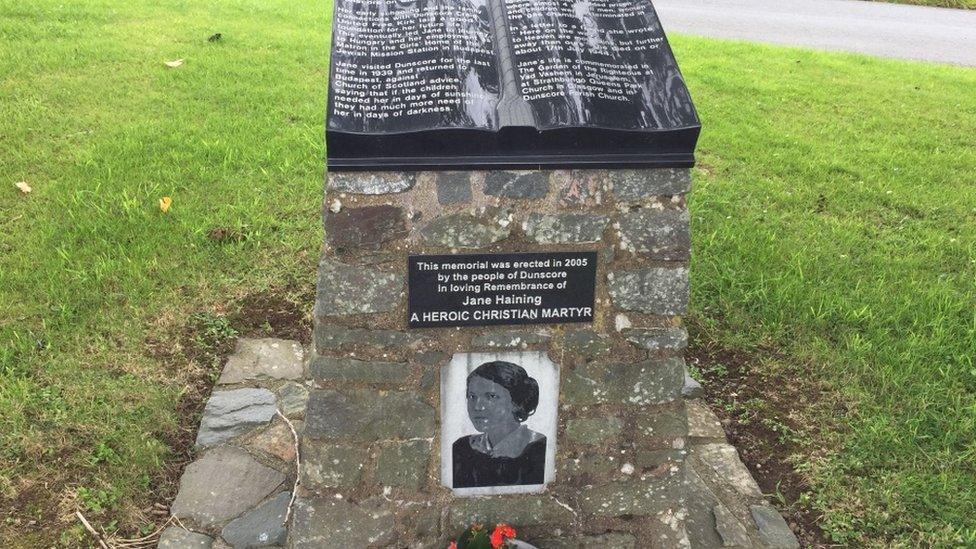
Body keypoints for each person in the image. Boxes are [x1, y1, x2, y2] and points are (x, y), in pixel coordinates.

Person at [452, 361, 546, 488]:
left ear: (516, 402)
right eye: (472, 396)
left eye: (491, 396)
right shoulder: (462, 448)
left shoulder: (540, 449)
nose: (478, 407)